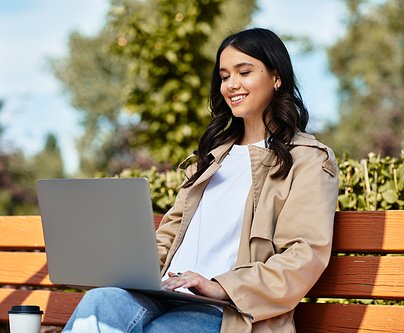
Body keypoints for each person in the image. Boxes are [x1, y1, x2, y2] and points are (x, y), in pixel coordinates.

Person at [62, 28, 339, 333]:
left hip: (226, 310)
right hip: (164, 293)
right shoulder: (210, 160)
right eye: (224, 76)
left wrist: (221, 286)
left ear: (277, 77)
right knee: (98, 303)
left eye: (243, 72)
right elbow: (168, 235)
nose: (231, 85)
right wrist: (132, 268)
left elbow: (303, 256)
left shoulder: (307, 159)